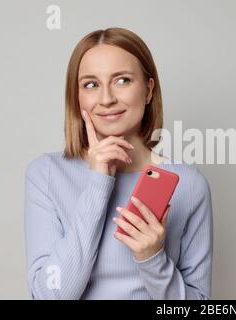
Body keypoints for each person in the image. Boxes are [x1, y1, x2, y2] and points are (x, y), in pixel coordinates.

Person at [24, 27, 213, 299]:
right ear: (77, 98)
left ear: (148, 90)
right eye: (91, 84)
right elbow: (50, 296)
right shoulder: (46, 175)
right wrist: (99, 182)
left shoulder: (190, 185)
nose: (106, 98)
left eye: (122, 80)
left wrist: (152, 258)